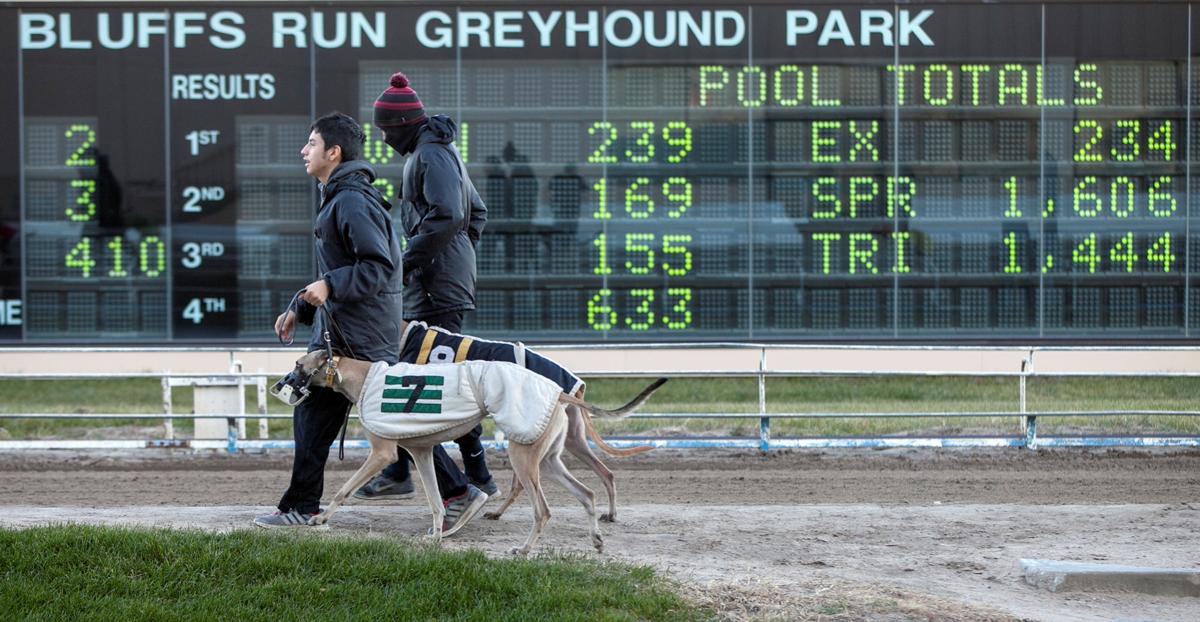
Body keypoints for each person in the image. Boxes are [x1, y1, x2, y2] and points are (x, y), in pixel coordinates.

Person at [254, 111, 488, 536]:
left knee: (376, 422)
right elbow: (338, 272)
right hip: (346, 334)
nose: (303, 151)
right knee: (334, 418)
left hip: (357, 341)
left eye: (311, 144)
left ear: (333, 152)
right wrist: (300, 308)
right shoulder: (341, 197)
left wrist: (328, 285)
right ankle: (305, 505)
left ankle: (305, 506)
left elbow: (380, 268)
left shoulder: (352, 201)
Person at [354, 72, 497, 501]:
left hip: (435, 289)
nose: (383, 140)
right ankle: (402, 469)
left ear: (401, 125)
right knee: (411, 376)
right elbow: (477, 214)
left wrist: (410, 260)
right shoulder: (437, 151)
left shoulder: (430, 155)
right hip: (440, 283)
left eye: (385, 131)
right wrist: (456, 259)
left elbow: (451, 215)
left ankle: (476, 475)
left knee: (440, 381)